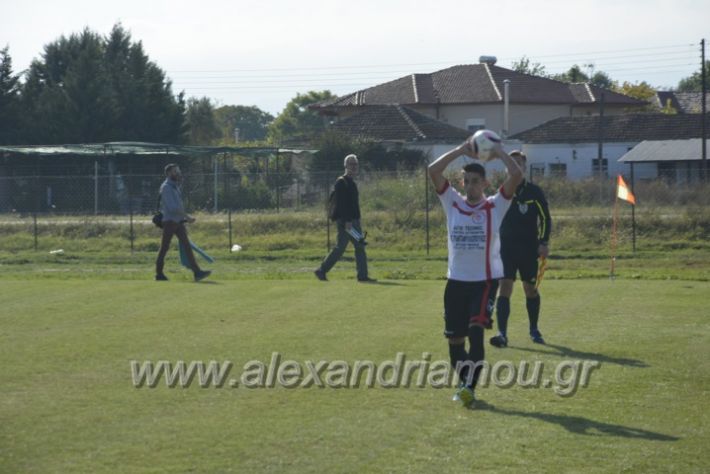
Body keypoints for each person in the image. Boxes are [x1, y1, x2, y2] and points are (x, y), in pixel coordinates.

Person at [428, 139, 522, 407]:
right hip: (455, 282)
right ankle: (465, 380)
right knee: (455, 343)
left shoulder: (496, 205)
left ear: (485, 184)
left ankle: (469, 386)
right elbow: (433, 171)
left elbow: (516, 174)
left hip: (484, 282)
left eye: (475, 181)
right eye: (466, 181)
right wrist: (459, 150)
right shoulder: (452, 202)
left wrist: (498, 151)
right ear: (462, 183)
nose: (471, 186)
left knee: (476, 332)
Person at [490, 151, 552, 347]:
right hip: (505, 249)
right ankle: (502, 333)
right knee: (505, 288)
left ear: (524, 168)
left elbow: (545, 218)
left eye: (519, 164)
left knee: (530, 289)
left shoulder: (534, 192)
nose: (515, 167)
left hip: (528, 249)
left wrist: (543, 242)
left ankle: (534, 329)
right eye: (512, 164)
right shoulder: (501, 193)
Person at [314, 154, 375, 282]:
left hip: (354, 221)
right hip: (347, 222)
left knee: (356, 246)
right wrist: (347, 221)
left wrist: (357, 219)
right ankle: (322, 270)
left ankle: (362, 275)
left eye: (355, 164)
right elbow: (342, 204)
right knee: (344, 247)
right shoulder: (341, 182)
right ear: (345, 166)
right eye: (351, 164)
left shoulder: (352, 183)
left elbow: (353, 204)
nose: (353, 166)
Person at [155, 164, 211, 282]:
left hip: (178, 221)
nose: (178, 173)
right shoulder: (166, 187)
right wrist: (187, 216)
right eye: (175, 171)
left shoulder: (175, 186)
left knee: (187, 246)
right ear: (169, 173)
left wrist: (183, 217)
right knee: (164, 248)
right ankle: (159, 274)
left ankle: (197, 272)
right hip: (170, 222)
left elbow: (177, 207)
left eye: (178, 171)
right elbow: (172, 208)